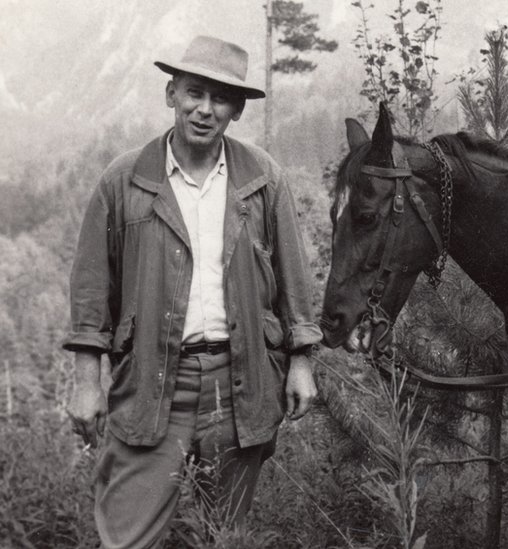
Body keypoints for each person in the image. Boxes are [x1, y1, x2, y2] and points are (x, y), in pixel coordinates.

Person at [63, 35, 323, 548]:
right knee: (127, 537)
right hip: (152, 383)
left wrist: (301, 361)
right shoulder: (125, 180)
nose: (205, 110)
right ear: (171, 94)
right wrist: (87, 380)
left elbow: (294, 277)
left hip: (241, 380)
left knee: (222, 537)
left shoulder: (263, 178)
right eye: (194, 93)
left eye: (220, 98)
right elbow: (92, 290)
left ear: (238, 110)